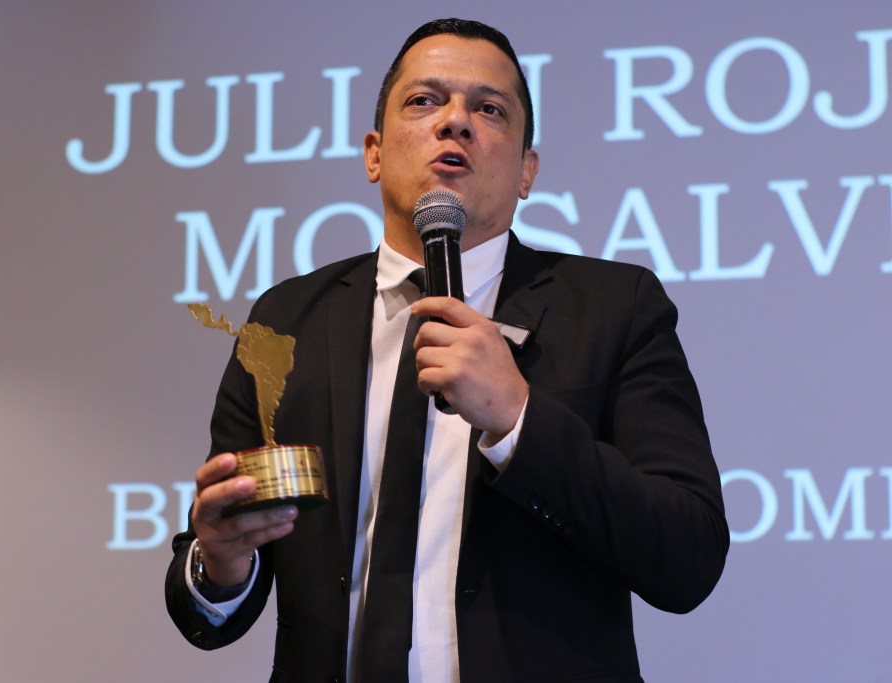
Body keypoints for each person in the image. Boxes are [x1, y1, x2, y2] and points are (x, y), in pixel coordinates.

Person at [165, 18, 728, 683]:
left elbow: (687, 557)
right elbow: (217, 595)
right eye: (424, 100)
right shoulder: (287, 321)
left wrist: (519, 419)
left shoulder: (614, 307)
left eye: (489, 110)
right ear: (374, 154)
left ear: (526, 171)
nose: (455, 121)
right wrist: (220, 562)